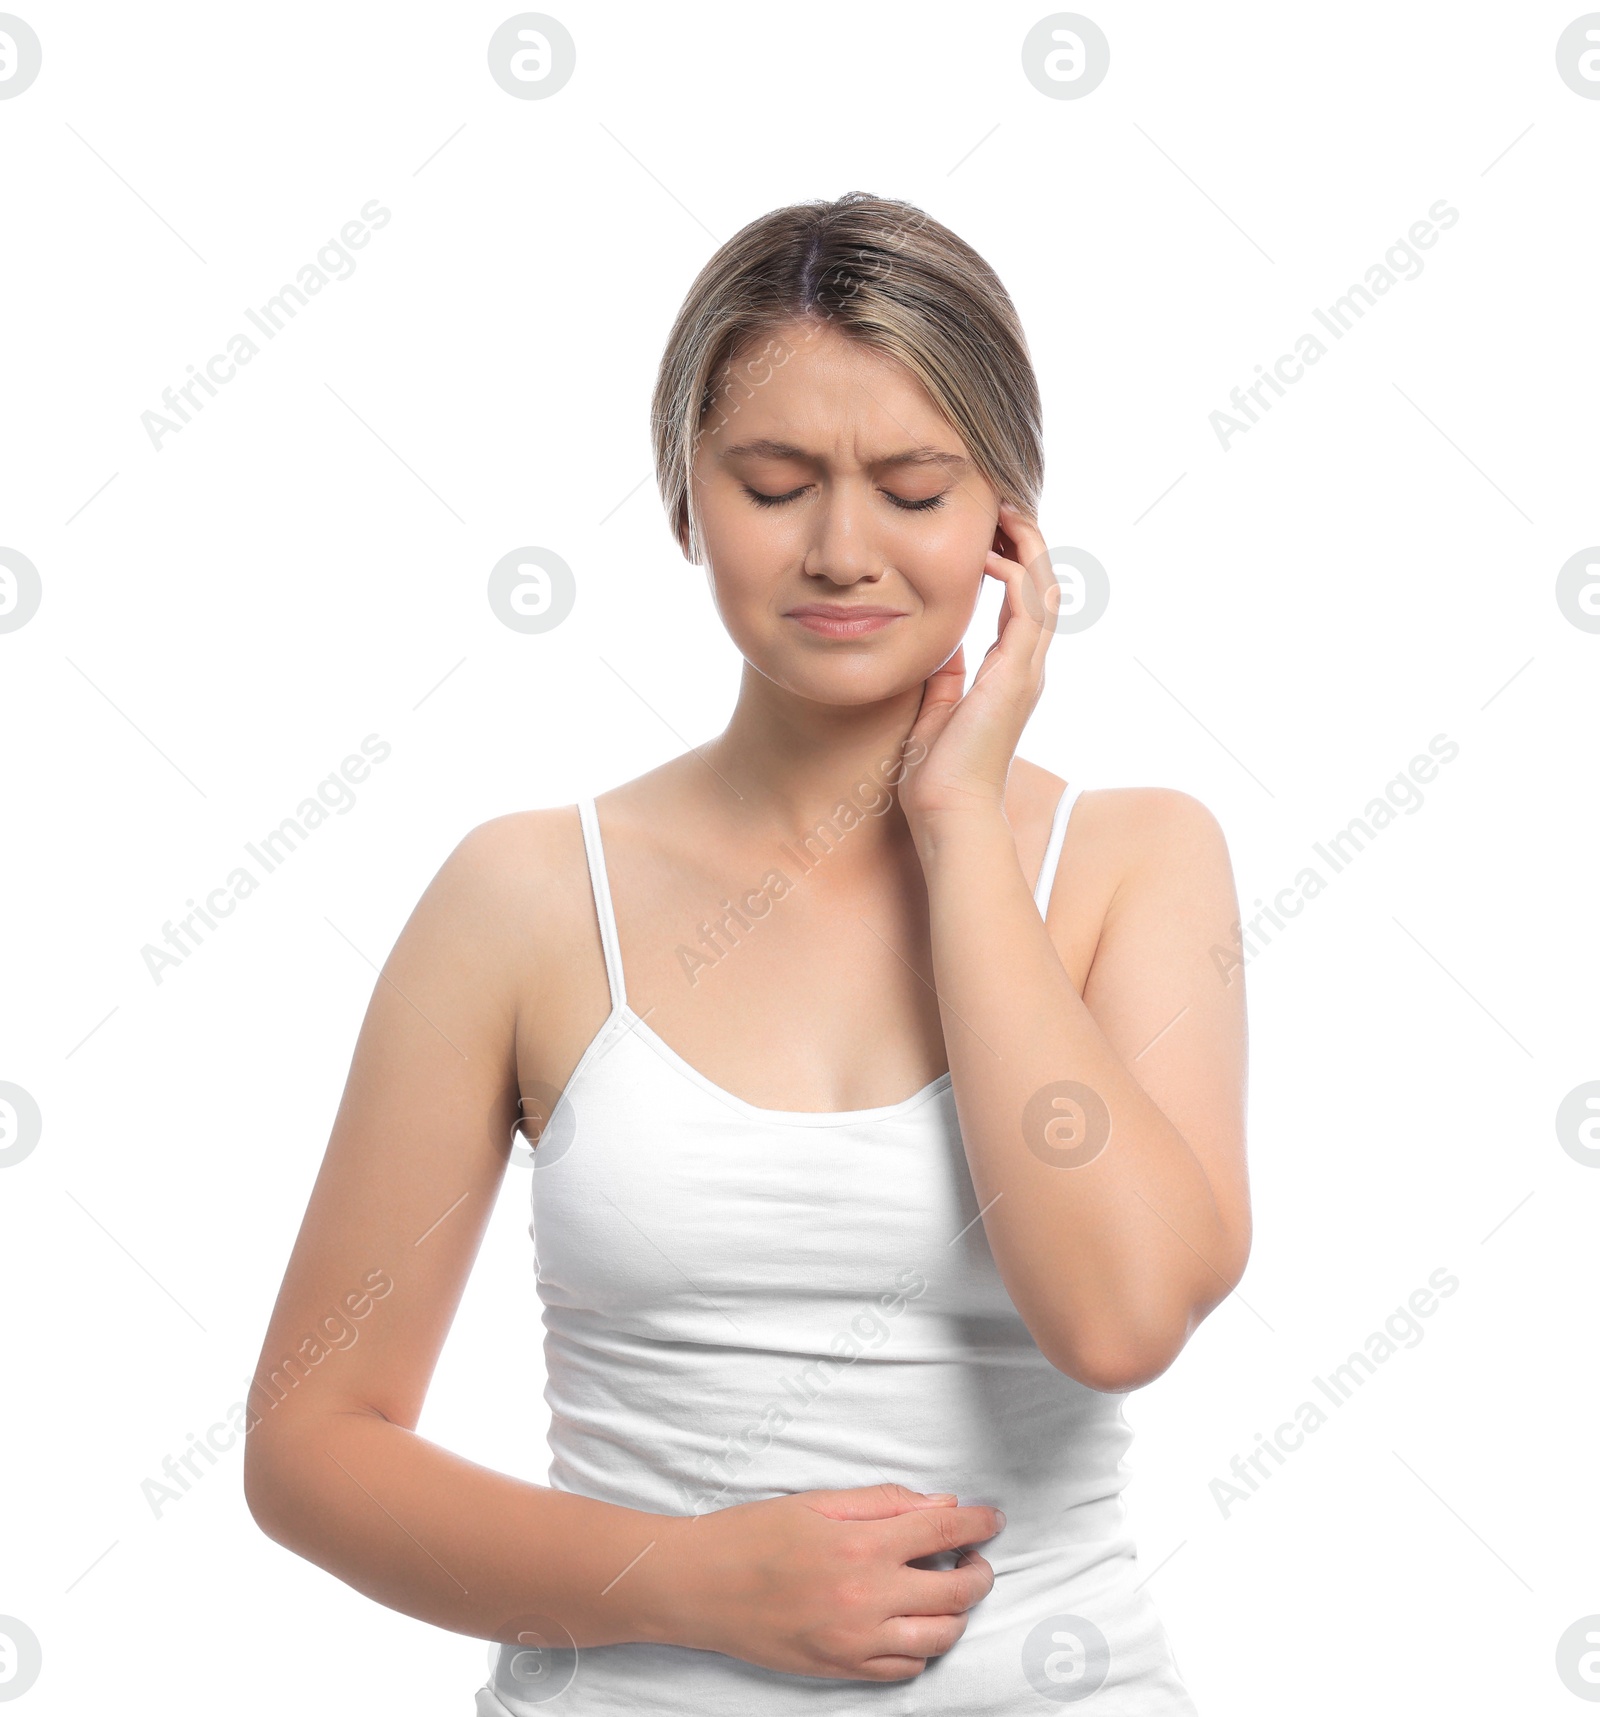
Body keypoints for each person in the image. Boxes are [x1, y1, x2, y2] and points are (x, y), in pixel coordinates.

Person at [243, 191, 1249, 1714]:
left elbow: (1115, 1319)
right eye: (776, 483)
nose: (843, 549)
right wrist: (701, 1581)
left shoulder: (1131, 862)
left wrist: (961, 828)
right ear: (685, 499)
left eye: (914, 490)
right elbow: (310, 1447)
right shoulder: (525, 895)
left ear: (1007, 523)